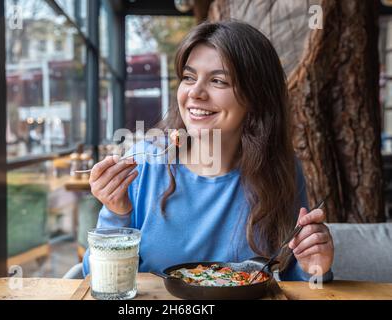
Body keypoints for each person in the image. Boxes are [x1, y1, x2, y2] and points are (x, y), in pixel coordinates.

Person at [83, 21, 334, 281]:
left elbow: (296, 280)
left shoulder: (280, 170)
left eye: (218, 81)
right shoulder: (144, 163)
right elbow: (100, 279)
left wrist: (315, 266)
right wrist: (115, 214)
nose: (195, 93)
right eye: (189, 77)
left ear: (256, 98)